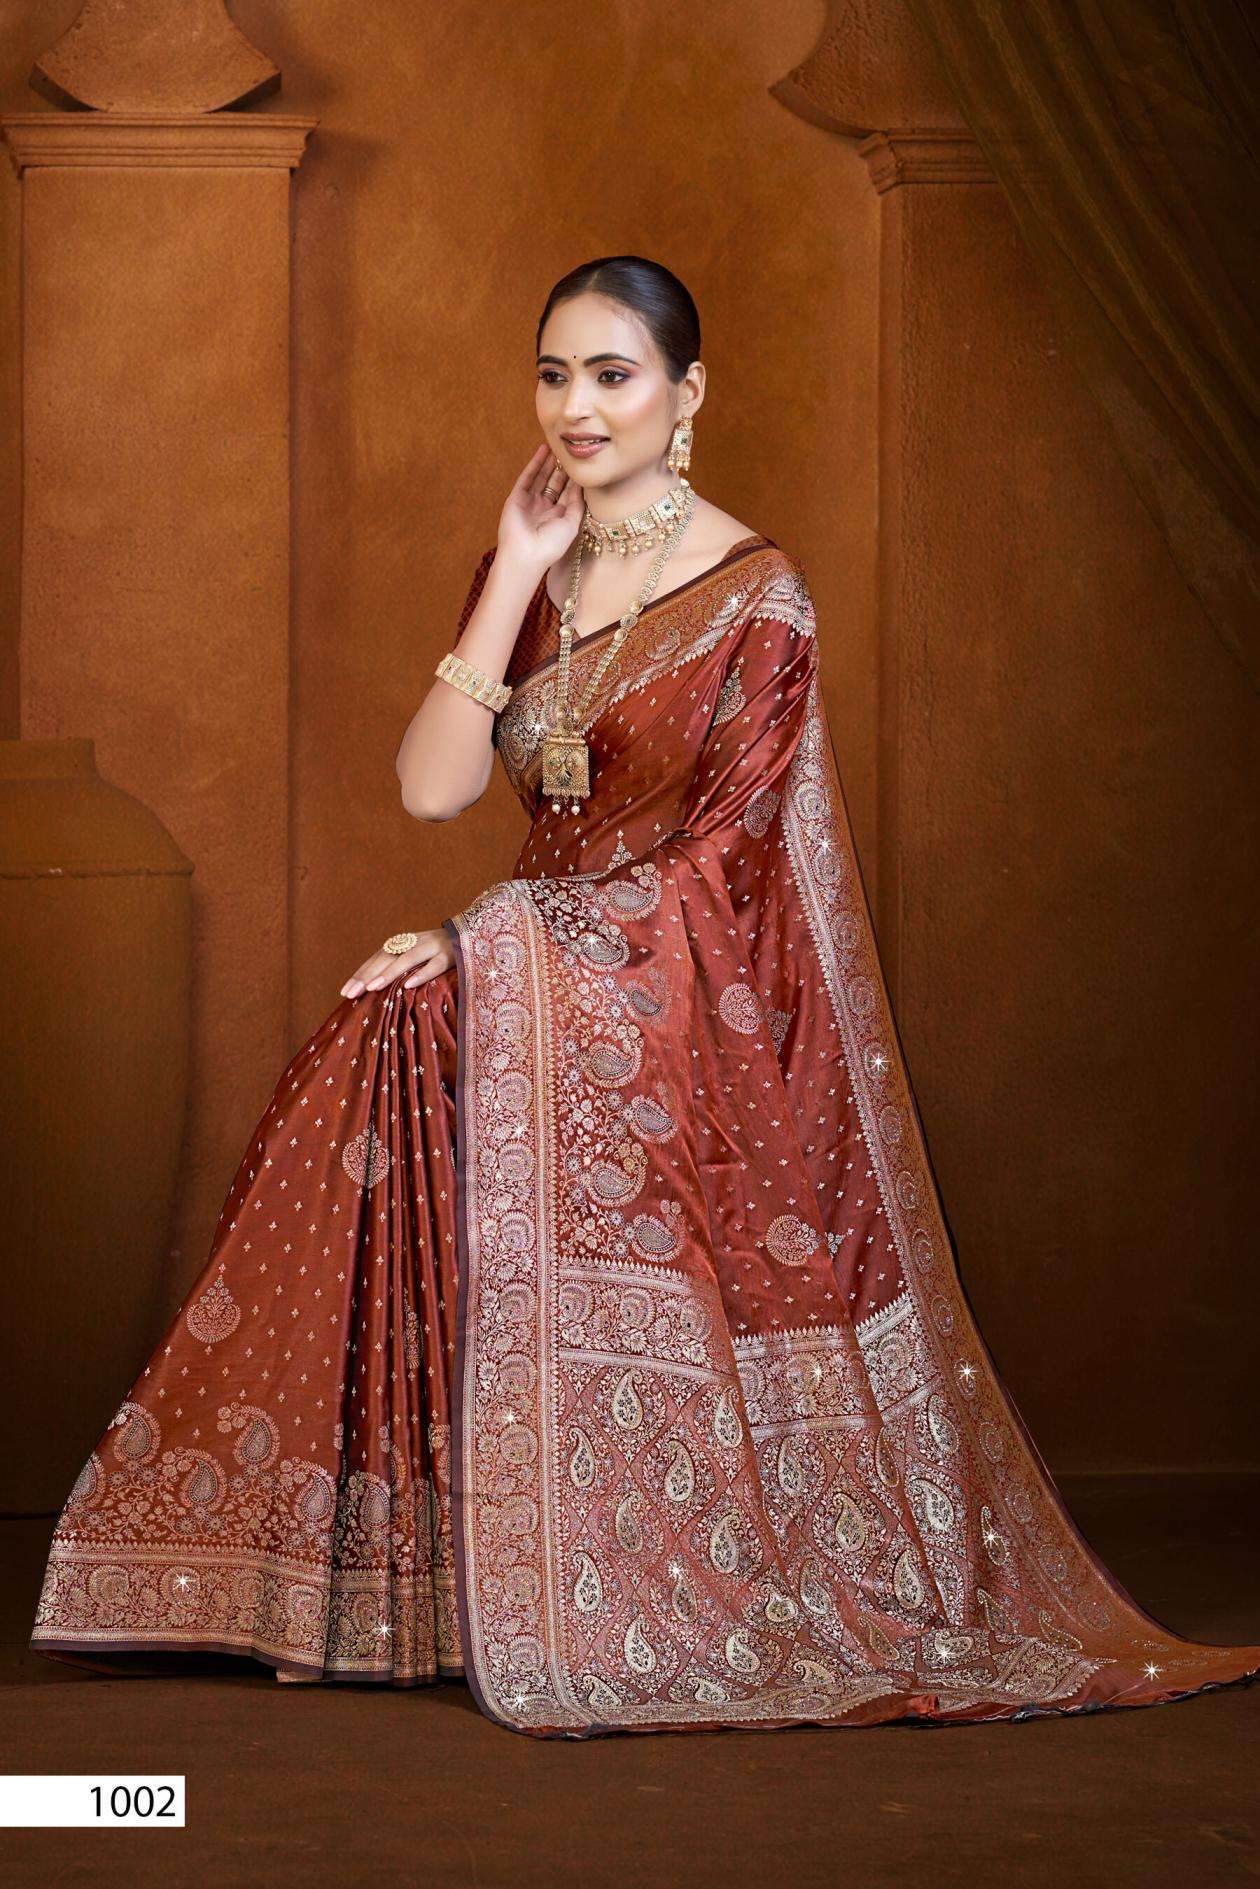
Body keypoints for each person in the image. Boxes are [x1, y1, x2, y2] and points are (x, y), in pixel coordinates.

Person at [29, 255, 1260, 1739]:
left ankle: (484, 1571)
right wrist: (508, 566)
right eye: (554, 374)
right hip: (544, 961)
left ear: (688, 393)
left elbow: (723, 867)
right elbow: (432, 791)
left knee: (415, 1008)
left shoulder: (756, 595)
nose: (578, 407)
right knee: (379, 1036)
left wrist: (485, 938)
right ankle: (372, 1575)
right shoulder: (536, 567)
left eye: (613, 376)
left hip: (682, 994)